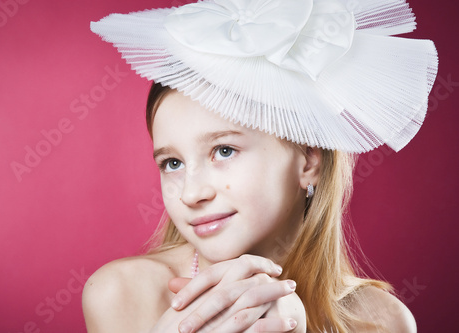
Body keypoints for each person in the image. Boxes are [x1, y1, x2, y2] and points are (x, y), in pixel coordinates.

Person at [83, 0, 437, 332]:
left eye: (223, 151)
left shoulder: (382, 321)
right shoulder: (122, 295)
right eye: (172, 162)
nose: (191, 193)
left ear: (308, 161)